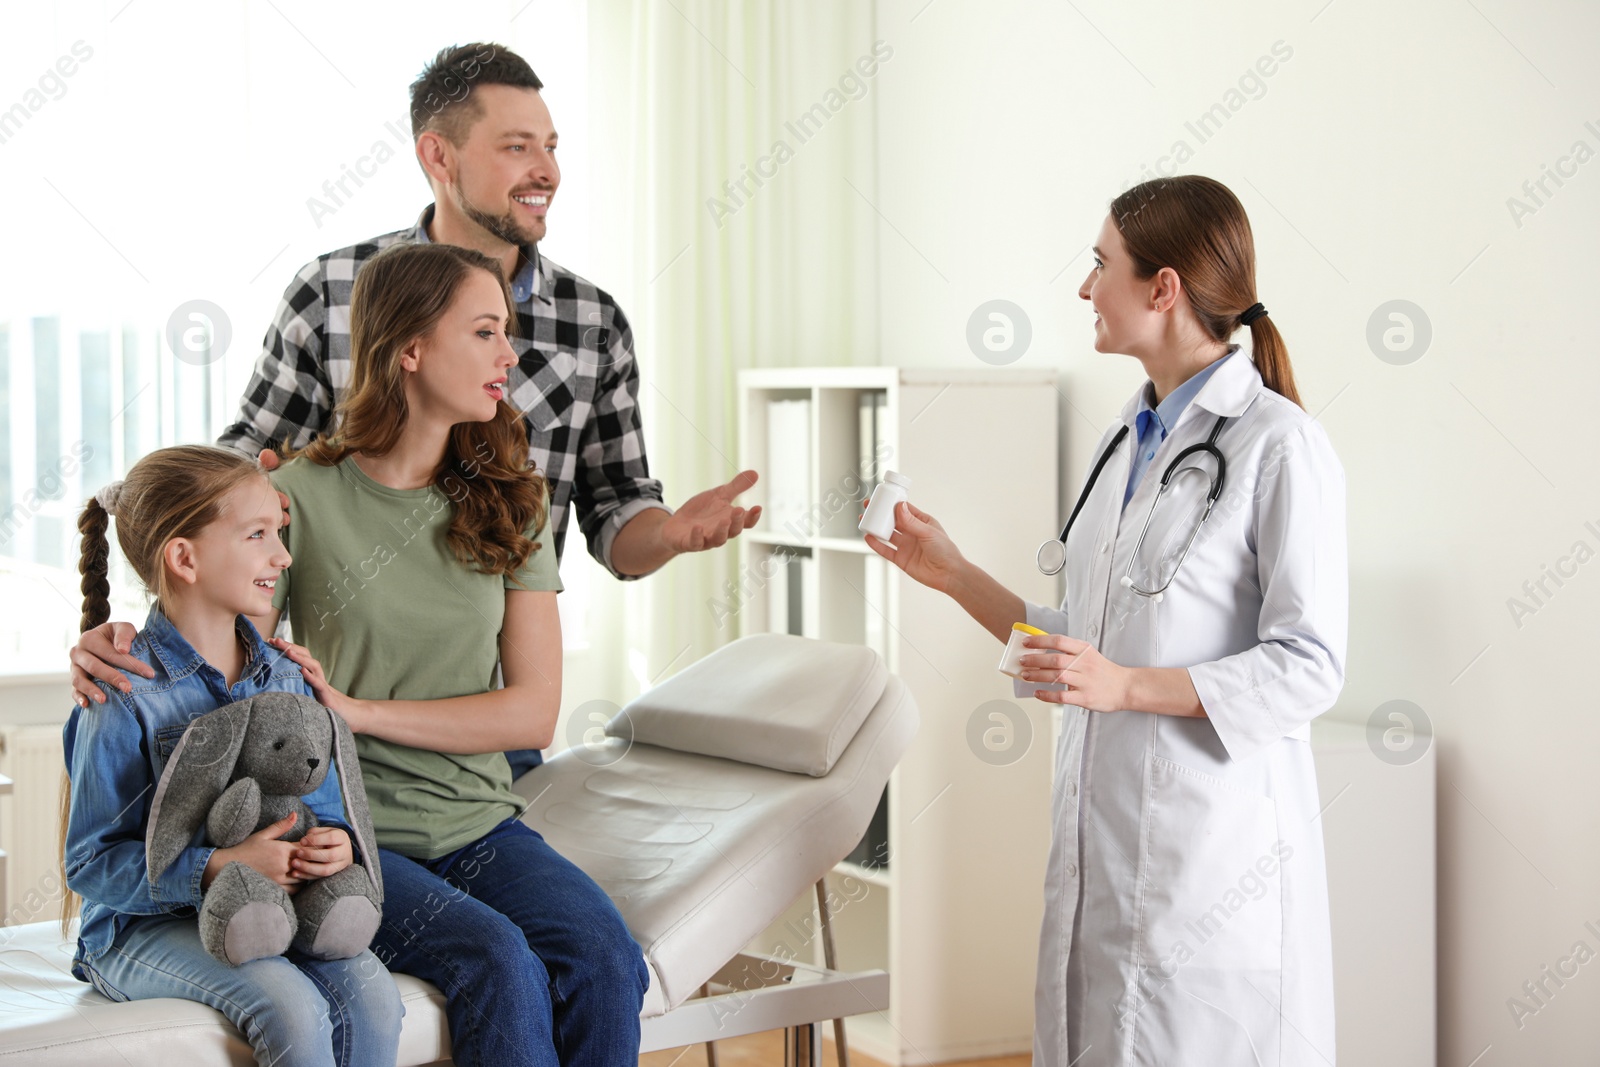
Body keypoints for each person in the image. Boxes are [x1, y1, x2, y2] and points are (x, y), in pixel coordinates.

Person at [68, 42, 759, 779]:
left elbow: (618, 518)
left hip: (484, 719)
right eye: (517, 146)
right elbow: (234, 481)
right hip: (328, 723)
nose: (548, 171)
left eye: (552, 147)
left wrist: (671, 533)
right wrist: (139, 637)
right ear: (440, 154)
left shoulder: (593, 322)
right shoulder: (331, 292)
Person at [867, 175, 1345, 1066]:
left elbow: (1308, 663)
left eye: (1100, 265)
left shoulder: (1279, 445)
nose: (1085, 288)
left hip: (1207, 861)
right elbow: (1088, 647)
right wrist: (958, 576)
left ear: (1163, 288)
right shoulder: (1127, 440)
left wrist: (1126, 686)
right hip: (1103, 843)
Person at [248, 241, 646, 1066]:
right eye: (486, 332)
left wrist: (357, 713)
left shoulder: (514, 501)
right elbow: (202, 643)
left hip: (478, 826)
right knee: (497, 959)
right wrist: (109, 645)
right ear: (410, 350)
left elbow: (531, 709)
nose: (511, 355)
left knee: (607, 956)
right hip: (348, 833)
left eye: (508, 331)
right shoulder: (296, 497)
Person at [62, 445, 404, 1067]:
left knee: (375, 996)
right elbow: (89, 864)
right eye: (257, 535)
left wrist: (333, 846)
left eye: (279, 532)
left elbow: (322, 811)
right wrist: (215, 865)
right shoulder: (122, 692)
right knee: (293, 1010)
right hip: (136, 929)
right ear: (184, 558)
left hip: (269, 908)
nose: (284, 555)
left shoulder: (286, 676)